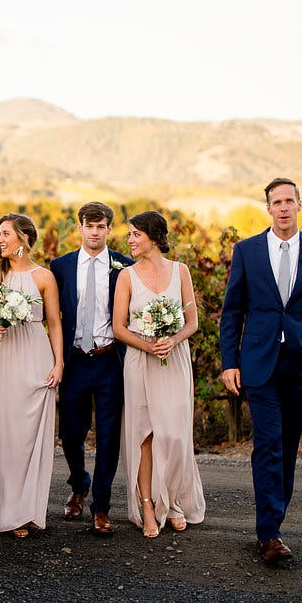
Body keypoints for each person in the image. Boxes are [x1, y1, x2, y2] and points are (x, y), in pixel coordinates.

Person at [220, 178, 302, 565]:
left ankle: (274, 520)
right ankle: (269, 533)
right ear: (267, 208)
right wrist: (229, 362)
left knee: (287, 448)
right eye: (276, 202)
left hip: (301, 363)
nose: (283, 207)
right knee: (268, 443)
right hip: (259, 363)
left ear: (300, 204)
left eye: (289, 200)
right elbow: (233, 311)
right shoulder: (247, 250)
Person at [113, 211, 205, 538]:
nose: (130, 240)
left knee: (176, 434)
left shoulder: (181, 271)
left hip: (174, 359)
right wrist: (148, 346)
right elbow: (118, 327)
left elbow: (192, 322)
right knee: (146, 435)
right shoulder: (126, 276)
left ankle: (176, 501)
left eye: (135, 234)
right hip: (140, 360)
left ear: (153, 236)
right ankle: (149, 505)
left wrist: (172, 340)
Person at [50, 202, 133, 535]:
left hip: (110, 359)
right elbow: (52, 315)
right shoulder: (61, 266)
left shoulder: (124, 268)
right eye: (89, 226)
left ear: (109, 229)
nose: (95, 232)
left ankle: (101, 506)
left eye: (101, 227)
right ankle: (79, 483)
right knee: (71, 433)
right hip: (74, 360)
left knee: (109, 436)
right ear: (80, 227)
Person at [0, 214, 63, 537]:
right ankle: (7, 503)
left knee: (30, 435)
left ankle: (26, 509)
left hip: (35, 354)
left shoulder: (44, 277)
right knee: (5, 432)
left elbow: (53, 322)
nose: (0, 240)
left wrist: (59, 364)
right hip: (3, 356)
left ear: (24, 238)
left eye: (5, 234)